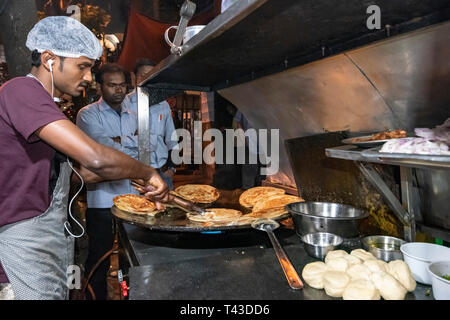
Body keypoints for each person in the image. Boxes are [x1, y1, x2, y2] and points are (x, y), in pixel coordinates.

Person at [0, 16, 170, 300]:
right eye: (83, 66)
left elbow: (83, 174)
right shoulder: (21, 91)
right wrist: (147, 172)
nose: (89, 77)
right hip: (21, 242)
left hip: (45, 238)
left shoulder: (46, 105)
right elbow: (94, 159)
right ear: (49, 59)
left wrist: (134, 178)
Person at [76, 63, 139, 300]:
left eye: (122, 85)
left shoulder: (135, 115)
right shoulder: (88, 114)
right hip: (101, 200)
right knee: (99, 257)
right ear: (100, 86)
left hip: (134, 198)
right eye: (112, 85)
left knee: (131, 256)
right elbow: (102, 153)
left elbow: (147, 150)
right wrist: (127, 150)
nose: (119, 90)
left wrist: (120, 150)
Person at [124, 58, 178, 190]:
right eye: (143, 75)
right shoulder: (125, 103)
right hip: (134, 172)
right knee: (137, 207)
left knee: (166, 208)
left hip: (161, 171)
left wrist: (172, 167)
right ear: (134, 77)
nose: (147, 78)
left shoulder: (163, 105)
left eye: (152, 74)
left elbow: (171, 137)